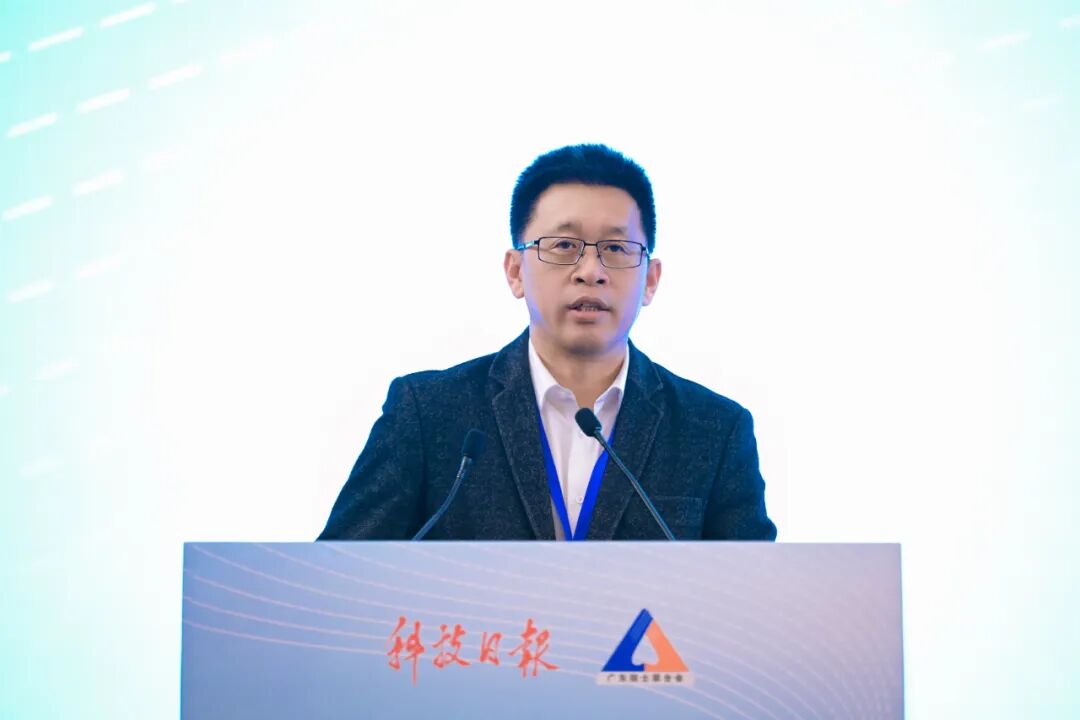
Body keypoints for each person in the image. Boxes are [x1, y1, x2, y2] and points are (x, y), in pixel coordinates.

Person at [318, 144, 776, 541]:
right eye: (564, 246)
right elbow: (338, 576)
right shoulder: (428, 413)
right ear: (516, 271)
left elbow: (754, 597)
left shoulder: (715, 429)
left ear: (650, 280)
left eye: (616, 249)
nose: (591, 271)